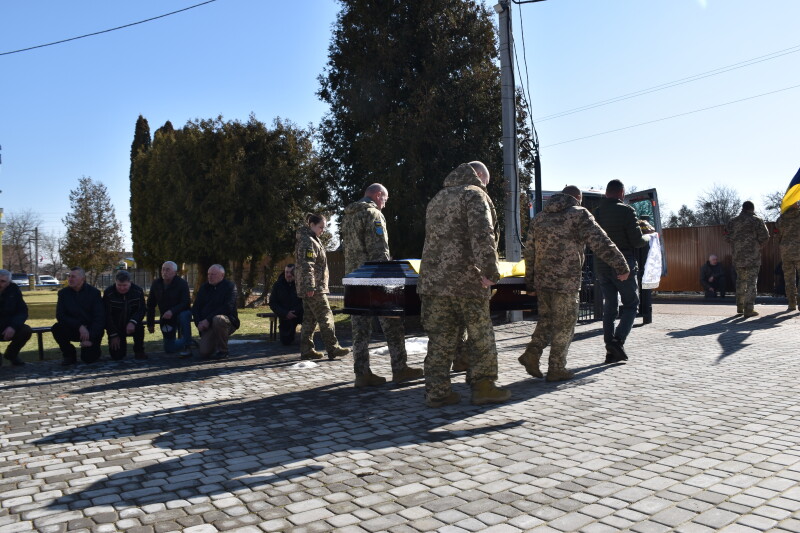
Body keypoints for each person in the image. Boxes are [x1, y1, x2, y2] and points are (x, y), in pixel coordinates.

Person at [418, 161, 511, 407]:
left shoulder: (437, 198)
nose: (485, 186)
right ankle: (483, 387)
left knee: (440, 339)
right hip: (467, 281)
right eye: (485, 181)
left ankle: (437, 392)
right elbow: (483, 235)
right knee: (481, 336)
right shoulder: (474, 194)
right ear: (478, 175)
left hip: (434, 282)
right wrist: (490, 272)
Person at [520, 186, 629, 381]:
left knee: (546, 321)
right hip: (566, 282)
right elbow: (600, 242)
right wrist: (621, 266)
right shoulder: (579, 214)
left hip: (543, 281)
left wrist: (530, 283)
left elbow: (529, 252)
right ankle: (556, 368)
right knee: (565, 325)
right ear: (578, 198)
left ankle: (532, 354)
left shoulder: (539, 218)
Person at [342, 184, 424, 387]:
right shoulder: (373, 214)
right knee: (392, 322)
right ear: (378, 195)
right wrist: (388, 274)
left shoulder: (349, 216)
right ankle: (400, 368)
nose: (385, 204)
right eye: (385, 199)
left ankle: (362, 373)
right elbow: (379, 251)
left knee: (360, 328)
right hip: (375, 279)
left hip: (354, 278)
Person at [593, 179, 651, 364]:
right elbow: (636, 241)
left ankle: (610, 350)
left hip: (602, 266)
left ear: (606, 193)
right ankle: (618, 341)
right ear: (622, 193)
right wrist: (648, 237)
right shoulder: (627, 211)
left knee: (609, 307)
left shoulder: (597, 212)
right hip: (623, 265)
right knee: (631, 304)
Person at [295, 214, 349, 361]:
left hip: (312, 286)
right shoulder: (308, 241)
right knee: (326, 316)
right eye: (320, 227)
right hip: (315, 287)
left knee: (310, 319)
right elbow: (307, 265)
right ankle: (333, 348)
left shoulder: (311, 239)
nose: (323, 230)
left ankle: (307, 350)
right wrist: (310, 286)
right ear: (311, 225)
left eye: (324, 228)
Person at [724, 201, 770, 317]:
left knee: (740, 281)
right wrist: (757, 246)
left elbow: (726, 237)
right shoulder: (757, 220)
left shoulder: (732, 221)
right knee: (751, 282)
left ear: (743, 208)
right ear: (752, 209)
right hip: (753, 257)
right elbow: (765, 236)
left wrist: (736, 245)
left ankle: (740, 307)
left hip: (738, 257)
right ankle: (748, 309)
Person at [52, 267, 105, 365]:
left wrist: (91, 337)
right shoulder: (63, 293)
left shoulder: (94, 293)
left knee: (88, 359)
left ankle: (92, 348)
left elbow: (99, 317)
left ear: (82, 279)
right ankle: (69, 354)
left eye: (73, 277)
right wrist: (79, 326)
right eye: (69, 276)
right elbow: (60, 316)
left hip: (91, 330)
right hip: (74, 328)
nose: (70, 279)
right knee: (57, 328)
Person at [192, 264, 240, 359]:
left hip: (226, 322)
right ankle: (213, 342)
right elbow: (196, 307)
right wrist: (199, 323)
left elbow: (227, 307)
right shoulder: (204, 287)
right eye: (208, 274)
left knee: (218, 319)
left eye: (213, 274)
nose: (210, 276)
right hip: (208, 324)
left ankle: (223, 351)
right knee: (204, 352)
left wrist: (208, 320)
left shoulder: (230, 287)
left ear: (222, 275)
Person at [147, 261, 194, 357]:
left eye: (167, 270)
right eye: (163, 269)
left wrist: (172, 311)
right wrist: (150, 323)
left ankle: (187, 344)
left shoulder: (182, 283)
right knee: (169, 348)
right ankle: (187, 341)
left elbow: (185, 302)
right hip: (166, 318)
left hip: (181, 313)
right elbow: (150, 304)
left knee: (184, 315)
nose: (164, 272)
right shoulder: (156, 284)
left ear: (175, 272)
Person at [104, 270, 146, 360]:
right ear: (115, 282)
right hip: (116, 327)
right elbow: (107, 315)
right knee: (117, 356)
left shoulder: (138, 291)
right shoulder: (109, 293)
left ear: (130, 283)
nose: (122, 288)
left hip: (133, 324)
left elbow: (141, 310)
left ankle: (139, 350)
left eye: (124, 285)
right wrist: (113, 334)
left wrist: (133, 322)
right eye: (119, 285)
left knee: (140, 327)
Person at [0, 269, 32, 366]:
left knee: (26, 330)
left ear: (9, 282)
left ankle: (11, 354)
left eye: (2, 281)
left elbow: (22, 311)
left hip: (8, 325)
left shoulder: (14, 290)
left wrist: (13, 326)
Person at [268, 264, 304, 345]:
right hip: (285, 315)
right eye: (286, 272)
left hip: (300, 314)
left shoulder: (301, 284)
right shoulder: (278, 285)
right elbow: (272, 303)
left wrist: (296, 311)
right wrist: (285, 313)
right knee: (286, 341)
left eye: (291, 272)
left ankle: (306, 337)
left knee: (306, 339)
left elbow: (306, 301)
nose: (288, 275)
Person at [776, 202, 800, 311]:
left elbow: (777, 236)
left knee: (789, 278)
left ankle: (791, 303)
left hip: (786, 252)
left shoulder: (781, 219)